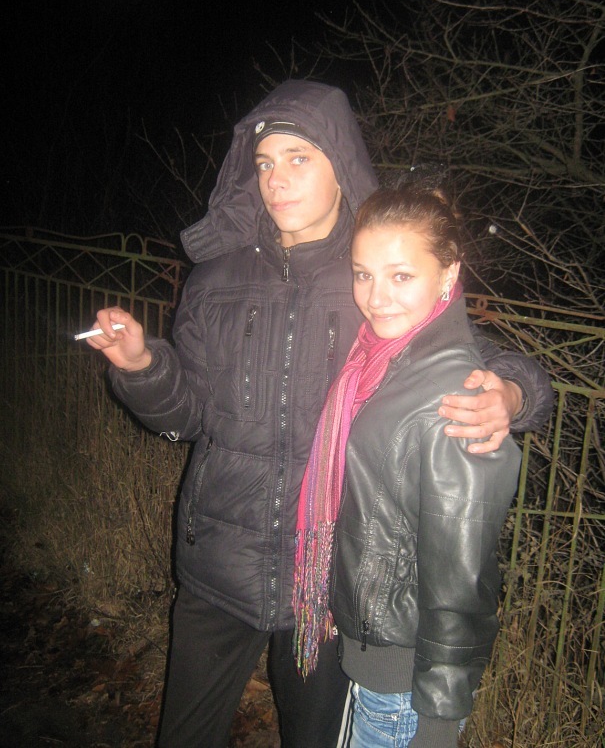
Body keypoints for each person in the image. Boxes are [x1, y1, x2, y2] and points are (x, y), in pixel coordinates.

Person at [85, 80, 552, 748]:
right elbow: (185, 416)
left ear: (341, 164)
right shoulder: (215, 281)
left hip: (326, 582)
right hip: (217, 562)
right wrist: (140, 366)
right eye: (264, 162)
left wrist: (510, 393)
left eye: (298, 157)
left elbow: (465, 353)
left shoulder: (371, 274)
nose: (275, 178)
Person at [293, 182, 522, 748]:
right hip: (375, 661)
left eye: (401, 276)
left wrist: (438, 723)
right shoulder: (379, 360)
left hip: (406, 687)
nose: (376, 297)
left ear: (448, 273)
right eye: (364, 274)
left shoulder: (455, 395)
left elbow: (462, 577)